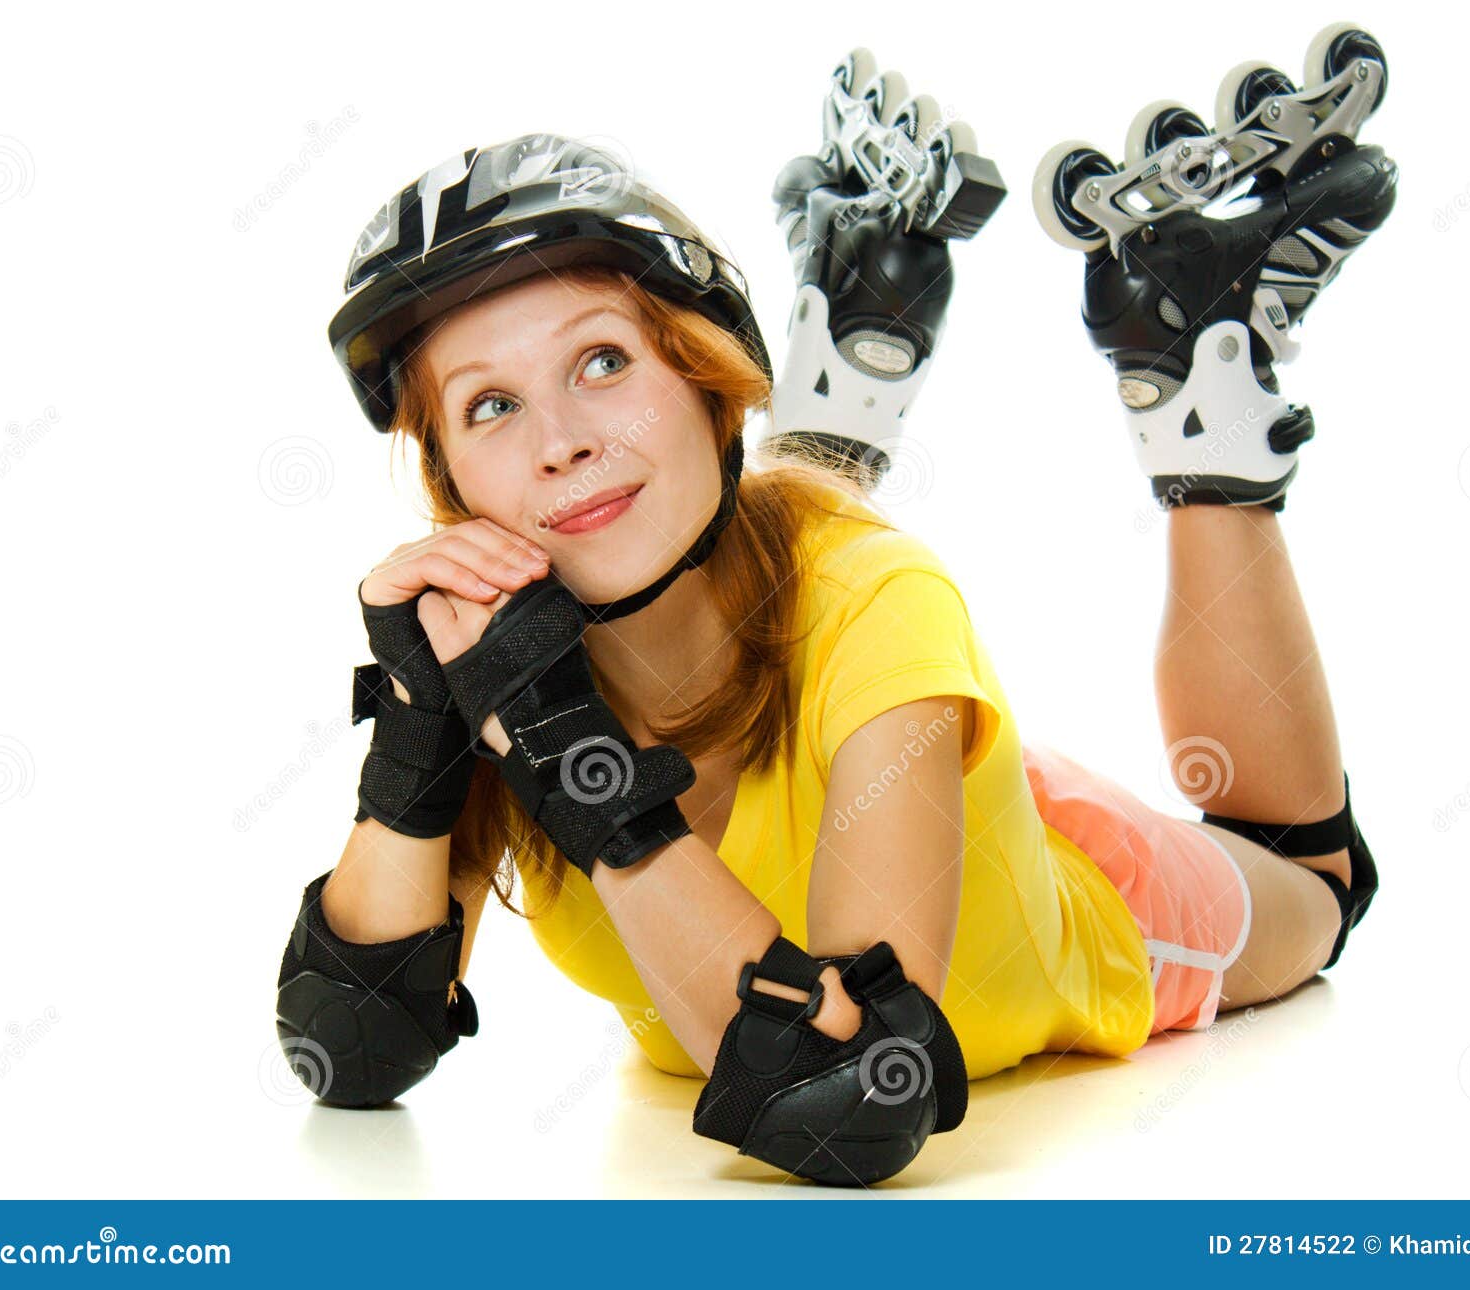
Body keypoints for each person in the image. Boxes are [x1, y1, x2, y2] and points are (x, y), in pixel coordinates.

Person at [276, 79, 1387, 1185]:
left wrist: (574, 757)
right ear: (449, 477)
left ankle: (1201, 388)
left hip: (1060, 877)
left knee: (1313, 880)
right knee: (774, 583)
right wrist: (421, 731)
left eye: (603, 363)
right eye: (490, 405)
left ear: (708, 377)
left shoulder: (874, 600)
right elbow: (352, 1053)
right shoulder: (497, 668)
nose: (556, 442)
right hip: (855, 722)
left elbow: (852, 1092)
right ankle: (861, 343)